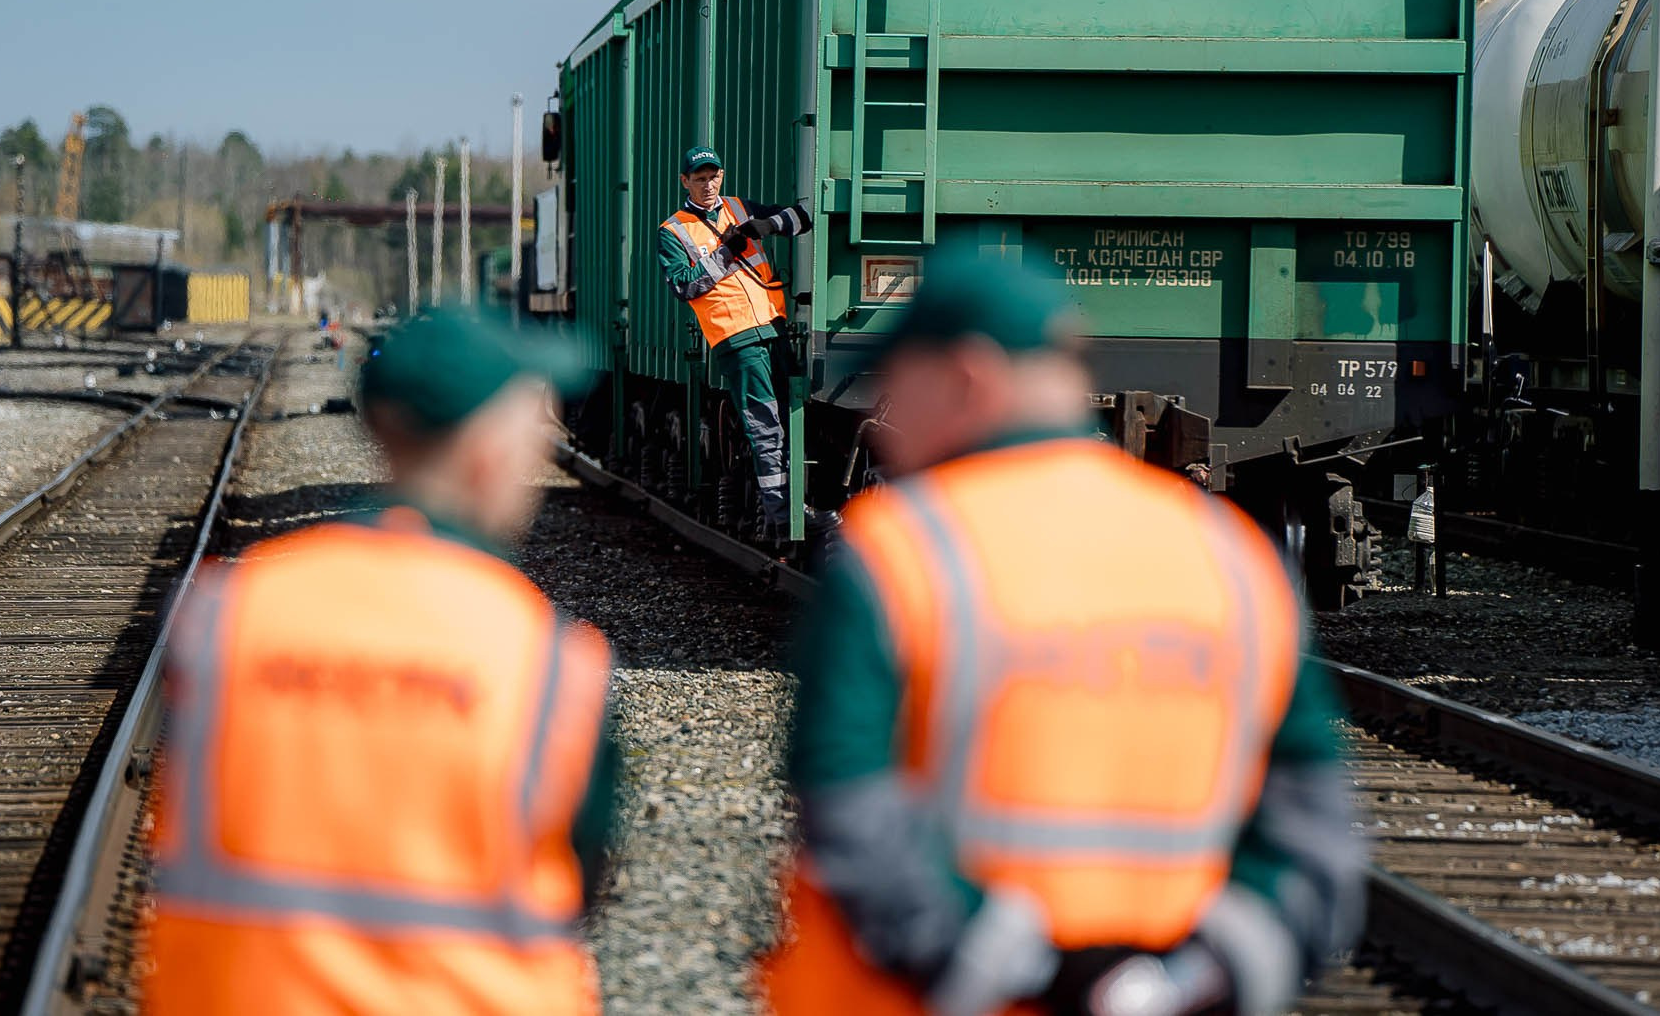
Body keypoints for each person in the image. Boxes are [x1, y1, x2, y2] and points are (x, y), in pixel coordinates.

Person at [765, 252, 1363, 1016]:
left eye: (897, 384)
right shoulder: (1232, 560)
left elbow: (846, 808)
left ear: (967, 377)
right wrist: (1183, 979)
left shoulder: (901, 553)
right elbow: (1315, 834)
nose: (883, 420)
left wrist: (1026, 965)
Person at [144, 312, 617, 1015]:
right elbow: (583, 875)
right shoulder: (549, 660)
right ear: (486, 451)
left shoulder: (224, 614)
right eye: (530, 430)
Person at [657, 144, 829, 540]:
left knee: (791, 418)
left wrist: (766, 226)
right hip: (736, 338)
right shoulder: (673, 231)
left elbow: (803, 217)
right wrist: (725, 253)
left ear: (721, 176)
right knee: (765, 426)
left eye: (713, 177)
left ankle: (795, 507)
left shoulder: (738, 207)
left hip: (772, 327)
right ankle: (783, 517)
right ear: (685, 182)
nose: (708, 185)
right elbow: (684, 286)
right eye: (699, 178)